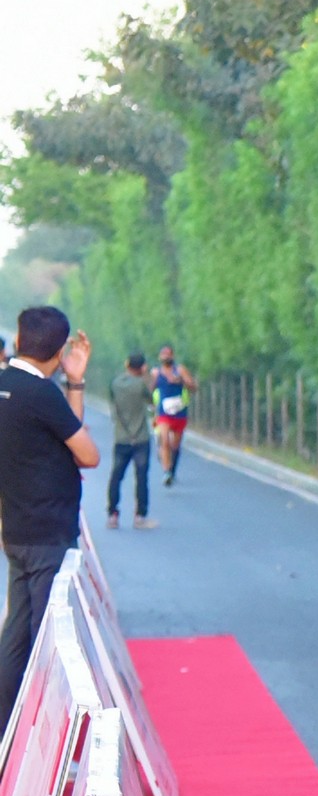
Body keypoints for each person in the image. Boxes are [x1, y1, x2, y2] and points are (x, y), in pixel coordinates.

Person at [0, 307, 96, 721]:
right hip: (49, 533)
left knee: (16, 636)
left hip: (17, 530)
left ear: (19, 340)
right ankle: (44, 727)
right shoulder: (41, 394)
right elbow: (87, 454)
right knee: (47, 639)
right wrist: (73, 382)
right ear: (59, 352)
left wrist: (74, 381)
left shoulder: (6, 384)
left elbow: (65, 432)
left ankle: (6, 726)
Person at [106, 352, 157, 529]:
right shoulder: (140, 384)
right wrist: (148, 377)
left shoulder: (115, 383)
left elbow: (112, 402)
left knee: (116, 476)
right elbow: (152, 401)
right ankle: (140, 516)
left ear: (127, 364)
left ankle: (112, 514)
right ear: (142, 367)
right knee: (141, 477)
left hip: (121, 437)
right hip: (140, 438)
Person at [151, 345, 194, 484]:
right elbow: (149, 390)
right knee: (164, 441)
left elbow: (193, 386)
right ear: (159, 357)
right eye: (163, 354)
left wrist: (181, 381)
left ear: (173, 356)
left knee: (175, 445)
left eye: (168, 354)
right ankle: (166, 472)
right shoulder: (156, 373)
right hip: (163, 413)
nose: (166, 356)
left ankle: (172, 470)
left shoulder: (180, 370)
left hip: (179, 413)